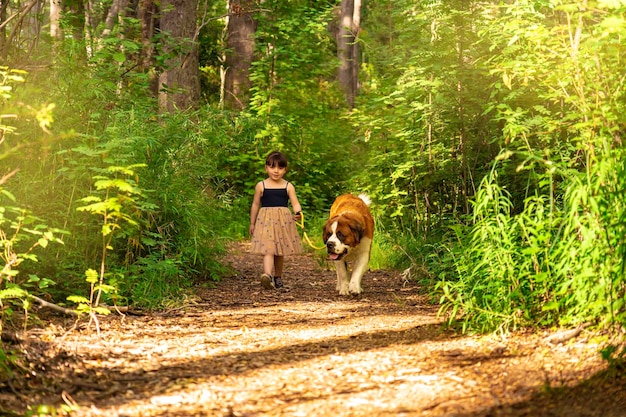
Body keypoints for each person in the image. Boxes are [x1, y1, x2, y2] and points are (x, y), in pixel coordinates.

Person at [249, 151, 303, 289]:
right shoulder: (261, 186)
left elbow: (295, 202)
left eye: (280, 168)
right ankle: (267, 276)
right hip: (265, 221)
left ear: (285, 169)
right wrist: (252, 223)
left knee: (279, 250)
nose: (276, 171)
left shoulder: (288, 186)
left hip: (283, 221)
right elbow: (255, 204)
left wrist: (298, 212)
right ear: (266, 167)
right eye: (272, 167)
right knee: (268, 249)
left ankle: (278, 276)